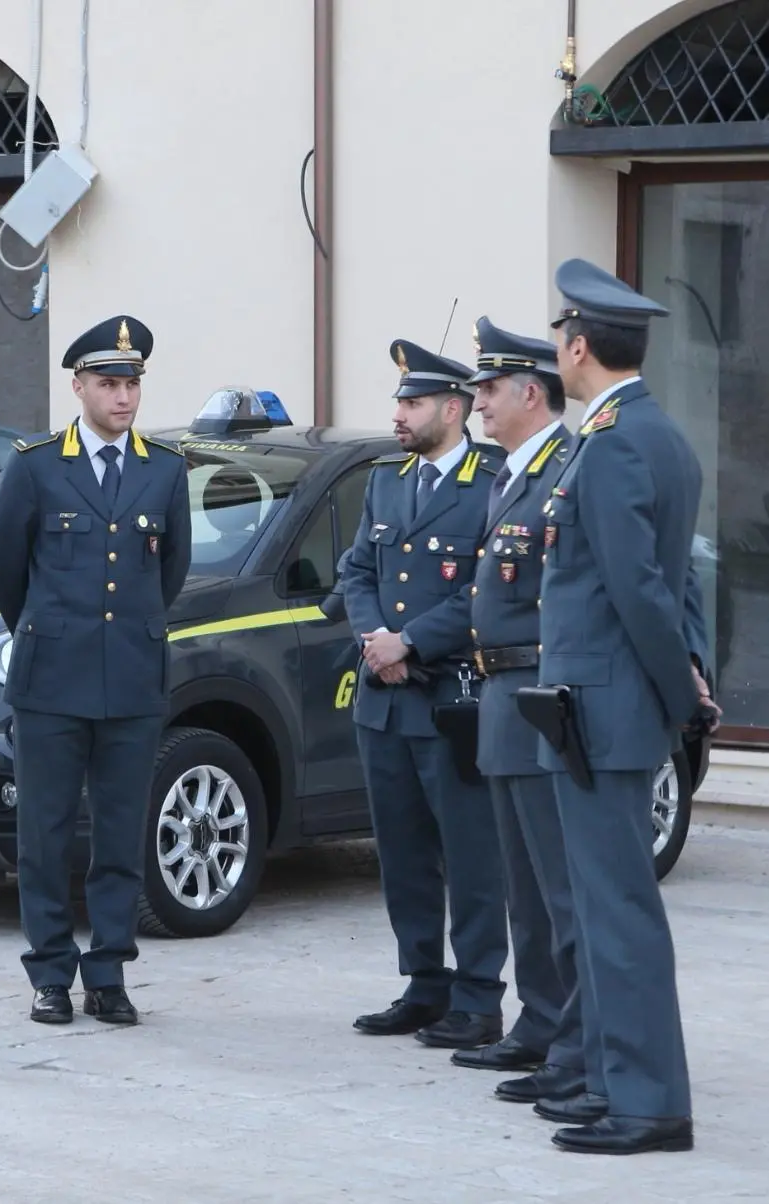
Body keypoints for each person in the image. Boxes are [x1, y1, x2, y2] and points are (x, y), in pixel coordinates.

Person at [535, 259, 714, 1155]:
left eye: (558, 344)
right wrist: (682, 675)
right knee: (606, 907)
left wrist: (678, 693)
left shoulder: (612, 444)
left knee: (615, 914)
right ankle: (612, 1083)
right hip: (606, 705)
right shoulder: (656, 435)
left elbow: (638, 589)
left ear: (577, 348)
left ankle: (646, 1105)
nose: (554, 358)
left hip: (602, 709)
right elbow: (672, 582)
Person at [0, 315, 191, 1027]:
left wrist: (123, 634)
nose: (123, 397)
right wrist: (47, 633)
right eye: (109, 383)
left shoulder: (164, 468)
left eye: (131, 384)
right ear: (78, 387)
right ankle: (48, 972)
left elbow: (170, 571)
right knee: (42, 834)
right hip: (50, 680)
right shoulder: (37, 465)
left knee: (120, 830)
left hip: (131, 677)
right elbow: (5, 569)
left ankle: (108, 972)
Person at [341, 339, 509, 1049]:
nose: (398, 414)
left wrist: (410, 642)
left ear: (453, 406)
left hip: (449, 699)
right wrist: (375, 638)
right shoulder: (387, 480)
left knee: (469, 856)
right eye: (398, 402)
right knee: (402, 852)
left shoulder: (492, 480)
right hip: (383, 701)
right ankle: (423, 983)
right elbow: (354, 570)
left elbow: (491, 587)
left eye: (411, 403)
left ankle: (477, 997)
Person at [445, 317, 595, 1108]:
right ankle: (539, 1021)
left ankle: (576, 1039)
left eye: (487, 389)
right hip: (501, 690)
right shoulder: (508, 473)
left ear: (528, 393)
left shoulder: (568, 468)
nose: (475, 403)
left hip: (544, 690)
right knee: (522, 884)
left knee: (559, 883)